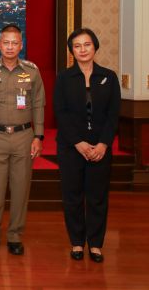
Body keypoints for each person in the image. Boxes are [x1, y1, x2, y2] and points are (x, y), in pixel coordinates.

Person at [0, 23, 45, 256]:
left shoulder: (32, 71)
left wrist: (38, 136)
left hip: (24, 137)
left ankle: (15, 236)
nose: (9, 47)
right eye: (5, 42)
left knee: (20, 189)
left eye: (14, 43)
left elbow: (38, 105)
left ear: (21, 45)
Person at [53, 28, 120, 263]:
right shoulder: (64, 78)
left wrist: (103, 144)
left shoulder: (109, 77)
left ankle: (96, 244)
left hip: (100, 148)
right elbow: (60, 113)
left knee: (97, 197)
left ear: (95, 47)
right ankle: (77, 242)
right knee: (72, 196)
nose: (82, 49)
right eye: (77, 46)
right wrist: (78, 142)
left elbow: (113, 114)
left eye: (87, 44)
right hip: (71, 147)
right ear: (72, 51)